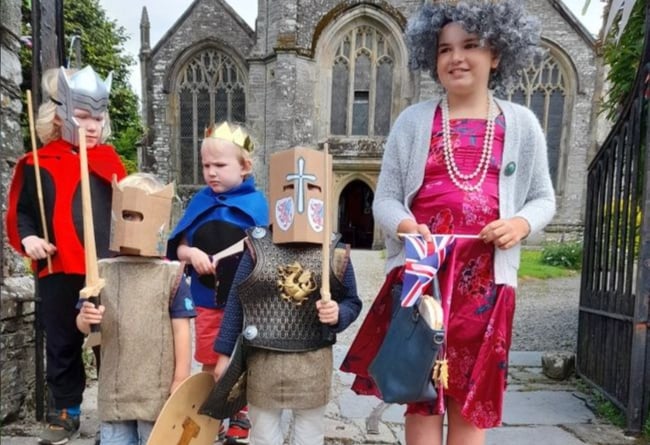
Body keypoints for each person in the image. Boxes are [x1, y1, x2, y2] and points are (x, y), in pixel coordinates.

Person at [340, 2, 556, 445]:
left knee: (469, 396)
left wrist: (519, 223)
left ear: (496, 53)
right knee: (420, 391)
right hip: (424, 281)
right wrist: (404, 224)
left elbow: (543, 199)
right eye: (444, 49)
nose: (456, 57)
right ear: (432, 57)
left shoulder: (523, 125)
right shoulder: (413, 122)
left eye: (470, 46)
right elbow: (385, 200)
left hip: (487, 287)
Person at [5, 65, 127, 445]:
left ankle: (115, 410)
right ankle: (66, 410)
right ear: (59, 115)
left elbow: (128, 213)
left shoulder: (110, 162)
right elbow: (23, 212)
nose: (91, 126)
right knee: (61, 340)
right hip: (58, 267)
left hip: (106, 268)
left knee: (109, 337)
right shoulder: (38, 163)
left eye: (97, 118)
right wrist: (30, 241)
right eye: (82, 116)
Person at [212, 146, 362, 445]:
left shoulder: (333, 254)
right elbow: (237, 301)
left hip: (312, 361)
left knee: (309, 436)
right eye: (290, 188)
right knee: (265, 436)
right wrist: (224, 354)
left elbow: (352, 302)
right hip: (263, 360)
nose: (299, 196)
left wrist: (338, 315)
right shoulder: (257, 246)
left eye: (308, 187)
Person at [76, 172, 195, 445]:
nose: (131, 223)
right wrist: (86, 317)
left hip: (157, 389)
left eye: (138, 215)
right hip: (115, 389)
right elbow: (84, 325)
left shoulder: (171, 275)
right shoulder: (101, 271)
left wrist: (181, 379)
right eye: (125, 215)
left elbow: (181, 330)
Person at [167, 121, 268, 444]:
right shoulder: (200, 202)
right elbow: (178, 247)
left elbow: (264, 244)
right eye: (206, 165)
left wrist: (234, 251)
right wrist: (191, 252)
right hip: (207, 298)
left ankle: (240, 410)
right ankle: (217, 411)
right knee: (211, 355)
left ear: (245, 166)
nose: (211, 172)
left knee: (243, 354)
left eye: (220, 165)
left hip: (243, 299)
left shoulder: (256, 204)